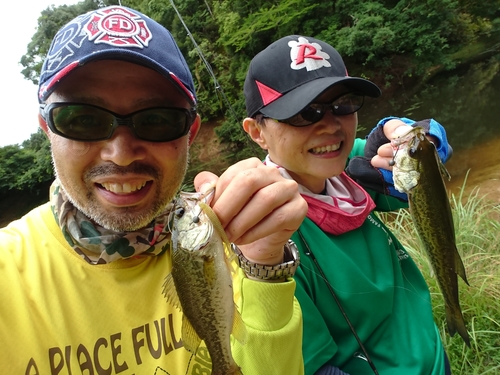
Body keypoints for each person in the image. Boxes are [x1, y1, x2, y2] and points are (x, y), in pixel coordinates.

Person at [0, 7, 309, 374]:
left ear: (189, 134)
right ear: (47, 129)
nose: (120, 154)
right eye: (83, 119)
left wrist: (263, 265)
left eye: (157, 120)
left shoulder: (230, 242)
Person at [243, 35, 454, 375]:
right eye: (303, 113)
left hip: (433, 356)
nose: (330, 126)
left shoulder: (351, 166)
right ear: (257, 132)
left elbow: (414, 140)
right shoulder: (265, 242)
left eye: (343, 103)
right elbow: (311, 364)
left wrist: (417, 136)